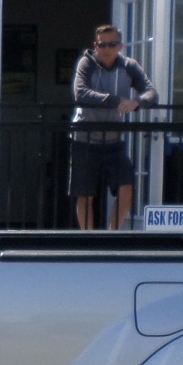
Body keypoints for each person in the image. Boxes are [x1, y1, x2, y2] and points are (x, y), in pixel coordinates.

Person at [70, 25, 158, 229]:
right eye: (102, 44)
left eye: (112, 44)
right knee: (84, 194)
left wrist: (137, 102)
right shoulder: (86, 63)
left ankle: (111, 235)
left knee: (126, 187)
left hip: (113, 141)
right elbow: (80, 93)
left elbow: (151, 92)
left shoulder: (128, 65)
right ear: (95, 45)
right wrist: (116, 100)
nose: (106, 48)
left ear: (120, 46)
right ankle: (89, 241)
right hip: (84, 138)